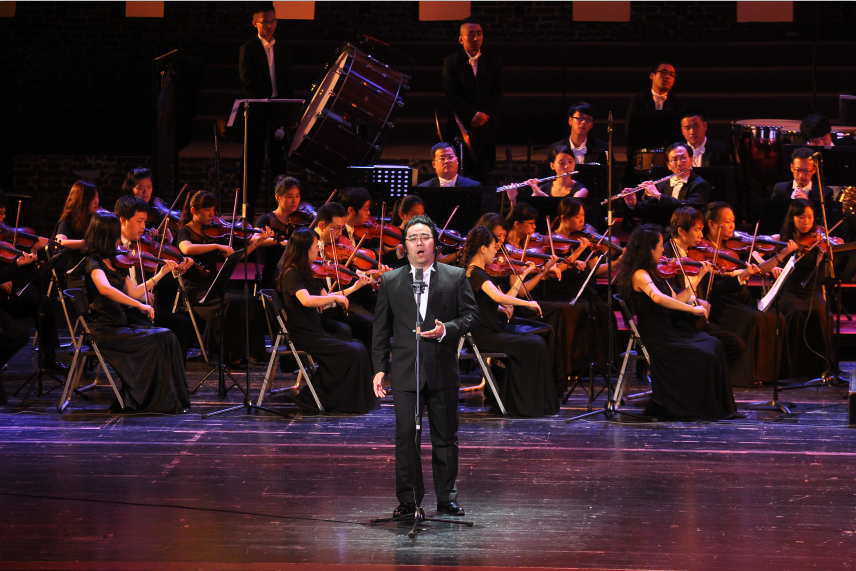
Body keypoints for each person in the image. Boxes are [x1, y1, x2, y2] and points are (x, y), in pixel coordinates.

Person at [372, 214, 479, 519]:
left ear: (435, 243)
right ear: (404, 246)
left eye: (425, 237)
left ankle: (446, 498)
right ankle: (409, 499)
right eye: (413, 238)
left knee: (446, 438)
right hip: (406, 371)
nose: (419, 243)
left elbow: (471, 315)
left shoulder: (455, 276)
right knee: (407, 437)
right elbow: (381, 329)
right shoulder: (390, 281)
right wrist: (379, 368)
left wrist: (447, 329)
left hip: (442, 369)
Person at [615, 223, 737, 421]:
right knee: (704, 354)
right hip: (657, 337)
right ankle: (699, 407)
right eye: (659, 246)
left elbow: (677, 299)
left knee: (713, 343)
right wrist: (693, 309)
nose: (663, 250)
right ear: (648, 249)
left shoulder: (656, 272)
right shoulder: (640, 274)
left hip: (668, 331)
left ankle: (717, 407)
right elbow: (657, 298)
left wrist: (699, 276)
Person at [81, 211, 190, 414]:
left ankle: (168, 397)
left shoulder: (115, 261)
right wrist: (140, 306)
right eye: (115, 234)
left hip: (119, 323)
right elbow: (105, 289)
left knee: (167, 336)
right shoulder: (93, 262)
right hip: (103, 329)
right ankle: (146, 400)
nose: (119, 239)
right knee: (161, 337)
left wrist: (161, 274)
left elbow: (135, 292)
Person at [460, 225, 558, 417]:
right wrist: (528, 303)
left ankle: (534, 404)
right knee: (534, 345)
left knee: (538, 341)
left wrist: (522, 276)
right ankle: (522, 405)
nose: (496, 251)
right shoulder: (475, 273)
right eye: (493, 247)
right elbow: (498, 297)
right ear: (483, 248)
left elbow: (499, 300)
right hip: (483, 335)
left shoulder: (476, 272)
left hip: (490, 330)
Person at [276, 228, 377, 414]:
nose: (318, 249)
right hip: (304, 333)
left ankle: (351, 399)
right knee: (353, 351)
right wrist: (335, 298)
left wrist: (354, 287)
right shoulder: (291, 274)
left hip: (315, 329)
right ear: (304, 249)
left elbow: (327, 298)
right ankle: (317, 399)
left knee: (359, 348)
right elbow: (307, 300)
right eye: (315, 246)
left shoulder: (307, 272)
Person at [702, 201, 796, 386]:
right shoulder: (703, 250)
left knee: (776, 317)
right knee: (755, 318)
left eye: (733, 221)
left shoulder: (734, 245)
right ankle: (749, 375)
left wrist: (782, 255)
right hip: (721, 301)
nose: (732, 226)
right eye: (727, 222)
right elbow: (713, 288)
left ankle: (770, 374)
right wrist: (740, 276)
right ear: (712, 224)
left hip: (740, 298)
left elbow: (760, 269)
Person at [175, 190, 272, 365]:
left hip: (215, 283)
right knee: (232, 302)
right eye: (207, 210)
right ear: (194, 210)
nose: (211, 214)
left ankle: (252, 353)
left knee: (249, 300)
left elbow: (238, 255)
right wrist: (216, 245)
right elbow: (186, 249)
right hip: (197, 288)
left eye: (213, 210)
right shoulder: (185, 231)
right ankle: (230, 355)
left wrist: (257, 242)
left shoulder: (211, 232)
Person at [662, 207, 748, 387]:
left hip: (697, 318)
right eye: (697, 230)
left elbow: (715, 282)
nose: (702, 235)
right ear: (681, 231)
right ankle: (700, 384)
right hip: (677, 320)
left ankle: (707, 383)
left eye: (701, 229)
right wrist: (695, 301)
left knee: (735, 344)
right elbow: (669, 291)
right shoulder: (666, 254)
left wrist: (738, 274)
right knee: (712, 346)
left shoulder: (695, 254)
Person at [114, 195, 194, 361]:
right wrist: (140, 299)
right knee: (160, 334)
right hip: (121, 312)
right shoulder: (114, 247)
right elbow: (118, 289)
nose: (144, 227)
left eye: (145, 221)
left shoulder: (141, 245)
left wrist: (177, 268)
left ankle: (175, 374)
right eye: (139, 221)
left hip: (139, 307)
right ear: (123, 221)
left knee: (181, 322)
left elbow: (140, 284)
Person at [0, 191, 64, 377]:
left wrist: (34, 252)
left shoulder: (5, 243)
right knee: (18, 334)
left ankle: (49, 358)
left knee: (43, 302)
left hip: (7, 298)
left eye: (4, 213)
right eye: (0, 213)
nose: (3, 219)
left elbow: (22, 277)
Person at [238, 2, 294, 215]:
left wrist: (286, 113)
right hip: (258, 112)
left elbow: (287, 82)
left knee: (278, 164)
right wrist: (264, 105)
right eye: (265, 22)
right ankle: (247, 211)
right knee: (253, 163)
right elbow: (248, 83)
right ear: (255, 23)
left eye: (273, 21)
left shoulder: (283, 48)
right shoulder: (248, 49)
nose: (269, 26)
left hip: (278, 111)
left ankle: (281, 211)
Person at [770, 199, 834, 377]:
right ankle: (793, 368)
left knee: (822, 313)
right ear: (792, 218)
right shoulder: (781, 239)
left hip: (811, 289)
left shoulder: (818, 240)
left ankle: (823, 367)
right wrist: (773, 266)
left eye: (810, 217)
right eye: (801, 217)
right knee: (795, 313)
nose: (806, 222)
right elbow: (754, 251)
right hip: (789, 290)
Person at [442, 17, 503, 184]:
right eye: (471, 34)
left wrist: (482, 115)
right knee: (459, 173)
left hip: (485, 124)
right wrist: (472, 115)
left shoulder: (494, 61)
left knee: (484, 172)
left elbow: (497, 92)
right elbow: (451, 94)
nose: (476, 38)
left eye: (479, 33)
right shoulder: (451, 62)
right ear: (461, 39)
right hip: (460, 124)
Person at [312, 202, 375, 348]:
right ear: (321, 226)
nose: (340, 234)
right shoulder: (308, 247)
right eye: (337, 228)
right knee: (344, 330)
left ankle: (370, 364)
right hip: (316, 312)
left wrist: (370, 278)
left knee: (372, 325)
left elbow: (349, 273)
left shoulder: (335, 247)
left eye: (342, 228)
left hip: (334, 308)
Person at [253, 176, 308, 288]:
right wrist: (278, 241)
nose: (295, 201)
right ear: (278, 197)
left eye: (297, 196)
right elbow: (254, 239)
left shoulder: (301, 220)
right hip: (273, 275)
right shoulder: (265, 219)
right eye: (289, 197)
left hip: (298, 275)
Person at [55, 180, 100, 289]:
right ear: (82, 200)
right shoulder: (67, 223)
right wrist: (86, 243)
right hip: (78, 276)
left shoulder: (93, 221)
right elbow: (59, 243)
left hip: (96, 272)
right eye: (93, 198)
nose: (97, 201)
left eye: (97, 197)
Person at [509, 145, 588, 205]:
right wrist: (513, 200)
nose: (567, 166)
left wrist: (540, 194)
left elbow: (565, 211)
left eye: (570, 162)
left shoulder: (581, 190)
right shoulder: (543, 188)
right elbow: (526, 215)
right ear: (552, 166)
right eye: (561, 163)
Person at [625, 61, 684, 137]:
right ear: (652, 76)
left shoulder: (679, 103)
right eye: (663, 72)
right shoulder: (638, 100)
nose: (668, 76)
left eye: (671, 74)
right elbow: (630, 129)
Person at [120, 167, 175, 242]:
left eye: (149, 187)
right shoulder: (124, 210)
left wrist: (157, 240)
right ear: (130, 189)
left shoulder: (156, 214)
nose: (146, 192)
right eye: (140, 188)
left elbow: (170, 241)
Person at [382, 195, 425, 269]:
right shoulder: (393, 234)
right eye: (416, 215)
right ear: (402, 215)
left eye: (422, 214)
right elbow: (387, 251)